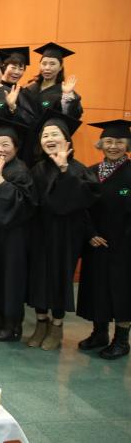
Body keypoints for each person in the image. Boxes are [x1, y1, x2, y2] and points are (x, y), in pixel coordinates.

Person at [26, 111, 99, 350]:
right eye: (45, 135)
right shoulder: (37, 169)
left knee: (59, 279)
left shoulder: (79, 169)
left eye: (54, 134)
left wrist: (65, 170)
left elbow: (81, 202)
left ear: (67, 139)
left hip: (66, 236)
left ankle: (56, 326)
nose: (49, 139)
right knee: (38, 279)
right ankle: (41, 323)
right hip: (40, 235)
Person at [0, 119, 36, 342]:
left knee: (11, 280)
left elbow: (24, 203)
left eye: (5, 144)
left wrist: (1, 182)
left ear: (16, 147)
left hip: (14, 237)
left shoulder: (21, 171)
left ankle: (12, 326)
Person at [77, 119, 131, 359]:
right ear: (101, 144)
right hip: (96, 243)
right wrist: (90, 234)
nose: (113, 146)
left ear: (127, 144)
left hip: (124, 246)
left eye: (119, 142)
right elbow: (81, 208)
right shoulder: (90, 172)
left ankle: (122, 340)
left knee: (122, 291)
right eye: (108, 141)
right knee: (97, 288)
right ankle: (99, 333)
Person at [22, 43, 83, 125]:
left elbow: (69, 118)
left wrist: (67, 96)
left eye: (52, 64)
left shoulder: (65, 93)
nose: (47, 68)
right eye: (44, 63)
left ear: (60, 67)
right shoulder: (29, 89)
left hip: (49, 132)